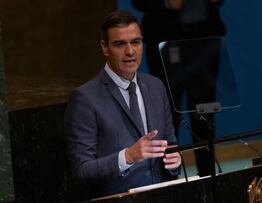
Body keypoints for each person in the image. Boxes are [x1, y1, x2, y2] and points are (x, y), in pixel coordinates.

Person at [64, 10, 181, 198]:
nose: (130, 51)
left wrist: (175, 160)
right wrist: (127, 157)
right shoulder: (84, 98)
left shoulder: (156, 87)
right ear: (104, 47)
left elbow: (171, 145)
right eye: (120, 44)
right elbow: (81, 171)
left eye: (136, 42)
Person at [131, 0, 226, 176]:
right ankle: (167, 179)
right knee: (167, 116)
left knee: (204, 116)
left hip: (204, 39)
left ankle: (209, 178)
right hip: (165, 40)